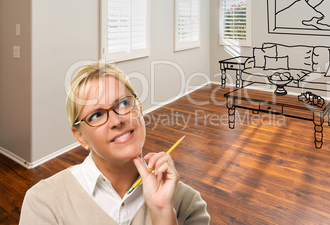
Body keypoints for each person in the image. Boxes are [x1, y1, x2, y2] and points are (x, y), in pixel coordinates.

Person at [19, 61, 210, 224]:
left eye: (124, 103)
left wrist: (162, 214)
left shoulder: (188, 203)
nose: (117, 120)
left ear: (140, 110)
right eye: (96, 115)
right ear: (81, 137)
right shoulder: (43, 203)